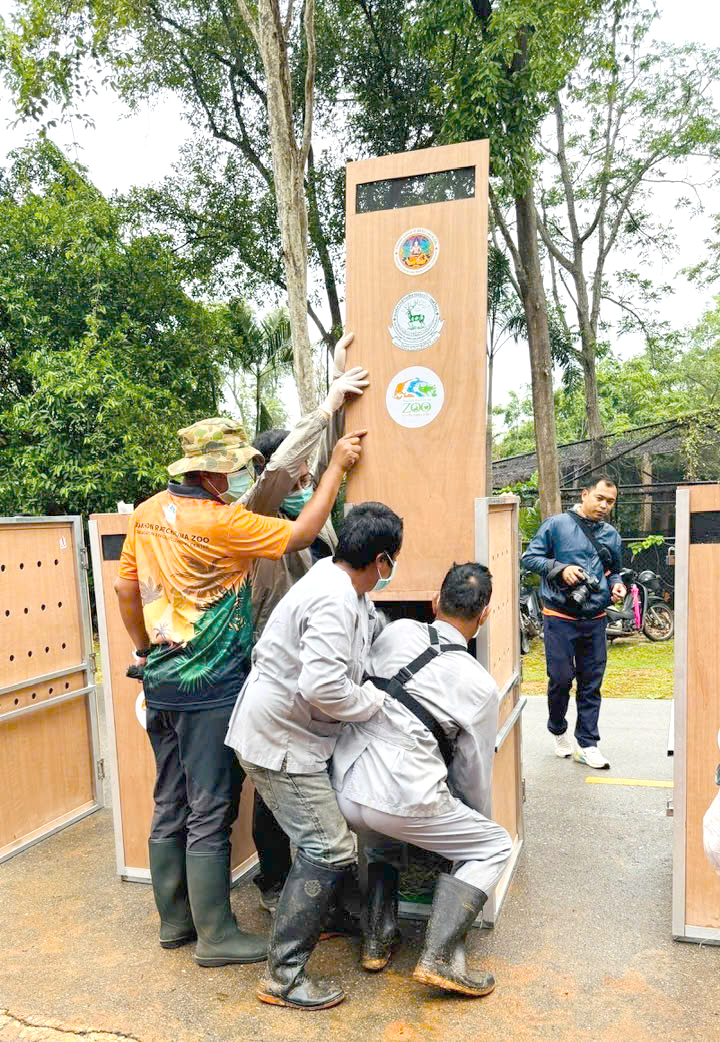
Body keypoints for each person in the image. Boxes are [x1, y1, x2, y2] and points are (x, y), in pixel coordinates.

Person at [113, 416, 365, 968]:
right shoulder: (223, 521)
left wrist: (143, 648)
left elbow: (123, 587)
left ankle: (175, 922)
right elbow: (300, 534)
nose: (237, 478)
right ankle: (216, 936)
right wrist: (336, 471)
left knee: (170, 799)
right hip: (211, 688)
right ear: (213, 473)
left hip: (161, 683)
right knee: (211, 809)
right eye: (232, 469)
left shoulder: (148, 512)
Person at [225, 501, 403, 1010]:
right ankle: (283, 976)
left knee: (320, 838)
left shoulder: (341, 584)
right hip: (281, 741)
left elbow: (365, 631)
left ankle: (322, 915)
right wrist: (373, 703)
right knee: (329, 847)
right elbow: (323, 686)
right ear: (382, 560)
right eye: (392, 561)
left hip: (290, 732)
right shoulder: (333, 598)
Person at [332, 562, 512, 997]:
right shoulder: (479, 684)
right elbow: (472, 773)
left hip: (345, 783)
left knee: (379, 836)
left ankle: (377, 940)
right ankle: (440, 958)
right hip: (402, 796)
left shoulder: (395, 632)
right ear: (485, 615)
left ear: (435, 602)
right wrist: (468, 824)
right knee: (493, 845)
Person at [239, 333, 370, 914]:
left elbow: (328, 461)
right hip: (278, 671)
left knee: (308, 783)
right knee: (276, 785)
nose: (304, 484)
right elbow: (290, 467)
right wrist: (326, 402)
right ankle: (274, 884)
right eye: (295, 479)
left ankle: (315, 891)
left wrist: (341, 385)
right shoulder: (257, 514)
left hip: (315, 669)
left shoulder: (313, 511)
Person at [521, 476, 626, 769]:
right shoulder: (556, 526)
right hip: (559, 617)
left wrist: (617, 585)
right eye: (600, 498)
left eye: (610, 501)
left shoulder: (611, 535)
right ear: (584, 494)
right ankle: (557, 728)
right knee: (561, 679)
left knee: (591, 683)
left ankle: (588, 744)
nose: (604, 506)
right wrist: (561, 568)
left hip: (595, 618)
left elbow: (613, 571)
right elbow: (529, 558)